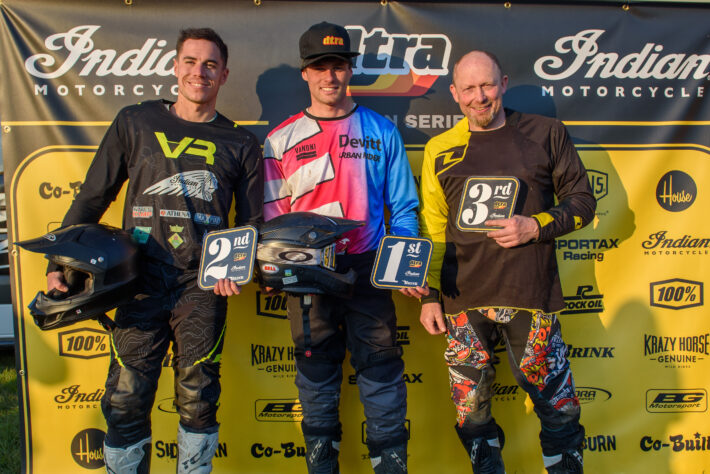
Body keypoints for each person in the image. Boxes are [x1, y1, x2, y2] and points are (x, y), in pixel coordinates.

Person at [46, 28, 264, 473]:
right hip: (136, 281)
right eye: (189, 61)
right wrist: (60, 265)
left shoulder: (242, 142)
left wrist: (237, 267)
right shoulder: (136, 120)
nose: (198, 72)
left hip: (203, 285)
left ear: (224, 74)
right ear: (175, 66)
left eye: (209, 64)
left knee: (199, 397)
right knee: (127, 397)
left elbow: (253, 222)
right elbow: (93, 197)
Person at [418, 50, 596, 474]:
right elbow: (434, 229)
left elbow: (583, 203)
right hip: (464, 302)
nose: (480, 97)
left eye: (487, 85)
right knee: (472, 415)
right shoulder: (439, 149)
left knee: (558, 408)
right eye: (469, 89)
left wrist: (535, 226)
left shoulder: (546, 133)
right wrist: (428, 296)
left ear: (504, 83)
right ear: (454, 94)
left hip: (530, 297)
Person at [262, 21, 419, 474]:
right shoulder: (280, 139)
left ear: (349, 71)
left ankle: (391, 464)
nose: (330, 76)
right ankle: (321, 465)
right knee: (315, 376)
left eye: (339, 66)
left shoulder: (382, 131)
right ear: (305, 74)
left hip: (369, 268)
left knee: (382, 370)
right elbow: (273, 218)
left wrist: (405, 266)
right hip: (307, 271)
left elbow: (403, 209)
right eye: (320, 67)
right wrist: (274, 268)